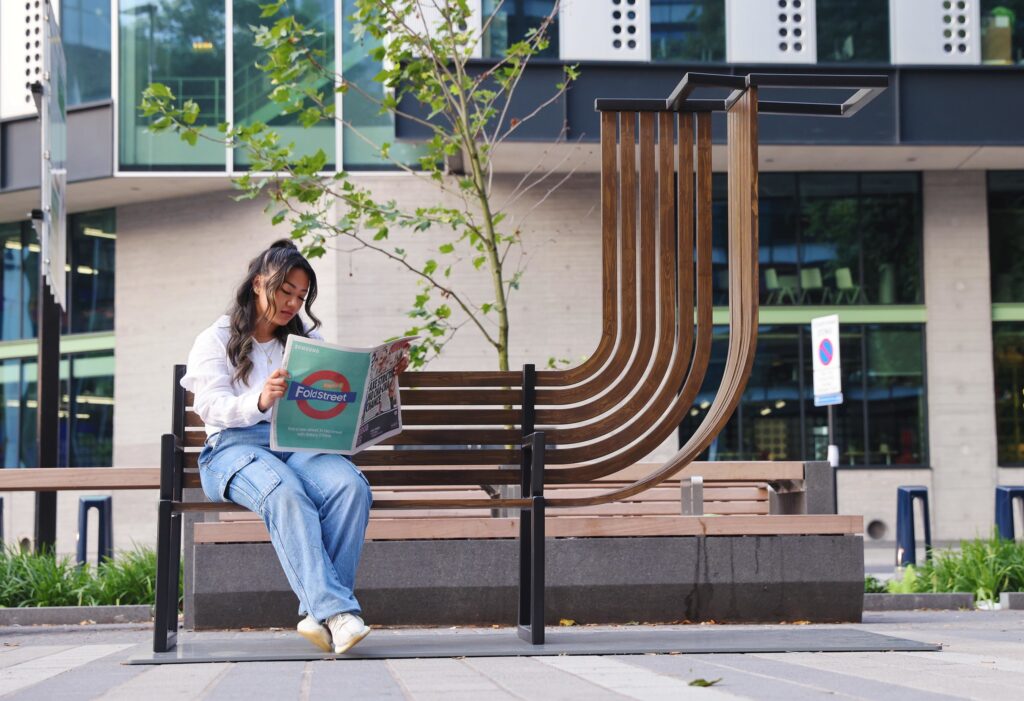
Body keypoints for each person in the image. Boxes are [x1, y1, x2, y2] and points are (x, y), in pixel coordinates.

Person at [181, 239, 385, 654]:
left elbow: (330, 394)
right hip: (232, 448)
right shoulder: (215, 338)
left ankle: (319, 614)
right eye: (285, 291)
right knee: (285, 492)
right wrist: (259, 399)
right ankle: (338, 614)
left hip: (295, 444)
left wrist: (378, 377)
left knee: (351, 487)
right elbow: (209, 407)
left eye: (301, 295)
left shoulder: (306, 338)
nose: (293, 303)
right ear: (259, 283)